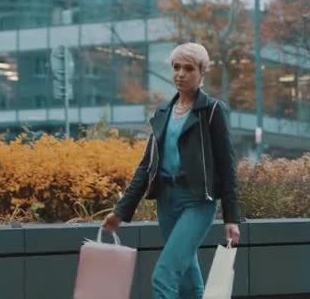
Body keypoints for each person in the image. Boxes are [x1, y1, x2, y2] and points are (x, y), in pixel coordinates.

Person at [102, 42, 241, 299]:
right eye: (176, 67)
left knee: (163, 277)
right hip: (167, 201)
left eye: (188, 68)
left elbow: (226, 165)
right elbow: (146, 166)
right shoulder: (163, 112)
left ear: (201, 73)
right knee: (189, 283)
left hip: (197, 202)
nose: (180, 73)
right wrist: (121, 212)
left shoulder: (211, 111)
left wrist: (231, 218)